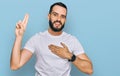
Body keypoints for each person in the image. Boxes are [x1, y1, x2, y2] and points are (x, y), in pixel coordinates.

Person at [10, 2, 93, 76]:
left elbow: (89, 70)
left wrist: (69, 56)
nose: (58, 19)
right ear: (48, 16)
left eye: (62, 16)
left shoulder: (72, 40)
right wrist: (19, 37)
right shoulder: (37, 39)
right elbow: (15, 65)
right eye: (55, 14)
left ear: (65, 20)